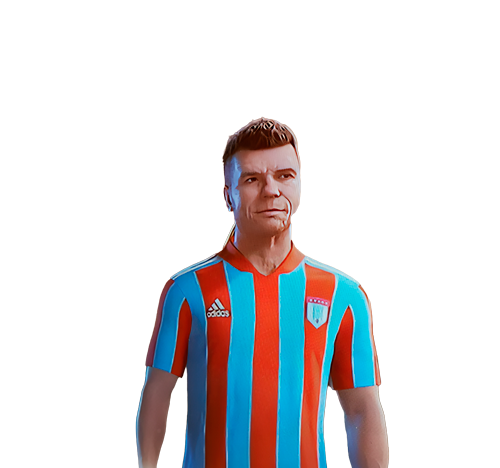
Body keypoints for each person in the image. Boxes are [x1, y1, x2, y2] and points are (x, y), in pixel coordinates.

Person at [136, 117, 389, 468]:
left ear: (300, 184)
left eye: (285, 176)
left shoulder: (345, 297)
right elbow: (156, 397)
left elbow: (362, 411)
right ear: (228, 193)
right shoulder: (186, 290)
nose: (271, 190)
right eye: (252, 179)